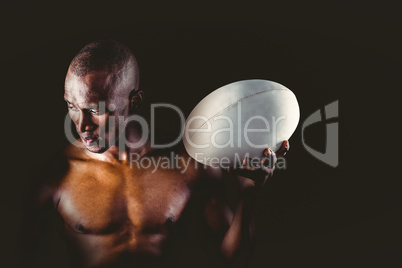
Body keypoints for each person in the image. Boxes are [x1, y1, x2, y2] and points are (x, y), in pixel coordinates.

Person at [21, 39, 289, 268]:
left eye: (95, 110)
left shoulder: (188, 166)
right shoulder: (56, 175)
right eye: (71, 106)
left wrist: (248, 196)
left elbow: (234, 261)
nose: (81, 126)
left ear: (133, 101)